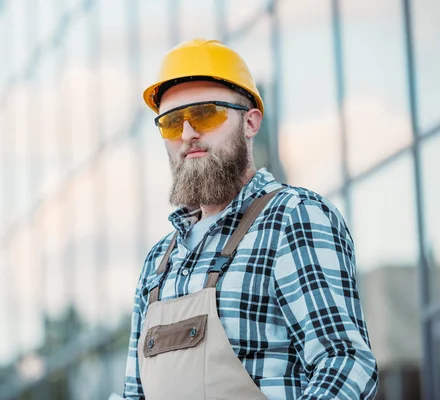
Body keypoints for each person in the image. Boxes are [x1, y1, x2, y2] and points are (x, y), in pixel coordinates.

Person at [122, 39, 378, 399]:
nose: (187, 133)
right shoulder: (157, 263)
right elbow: (135, 392)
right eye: (172, 122)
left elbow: (345, 363)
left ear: (250, 122)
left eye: (205, 114)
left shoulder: (292, 218)